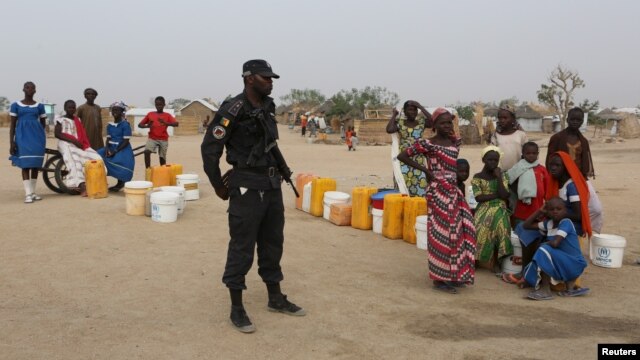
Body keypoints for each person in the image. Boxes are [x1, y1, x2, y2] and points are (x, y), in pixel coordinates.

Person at [201, 59, 305, 333]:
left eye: (271, 78)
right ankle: (237, 307)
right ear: (249, 79)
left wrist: (281, 170)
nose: (271, 82)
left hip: (271, 185)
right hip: (246, 186)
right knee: (242, 246)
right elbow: (210, 149)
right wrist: (217, 185)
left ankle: (275, 298)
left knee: (273, 243)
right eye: (266, 78)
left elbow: (269, 145)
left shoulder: (268, 108)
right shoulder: (232, 110)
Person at [397, 108, 476, 294]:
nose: (447, 126)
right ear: (434, 126)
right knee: (440, 234)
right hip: (437, 192)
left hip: (453, 191)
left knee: (459, 230)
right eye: (443, 123)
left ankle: (454, 274)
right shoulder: (428, 144)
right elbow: (403, 156)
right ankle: (440, 278)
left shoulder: (455, 142)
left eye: (449, 122)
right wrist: (426, 171)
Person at [520, 197, 589, 300]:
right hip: (564, 262)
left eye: (559, 209)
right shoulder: (549, 224)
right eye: (552, 209)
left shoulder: (566, 223)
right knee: (543, 253)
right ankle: (569, 289)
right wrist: (540, 211)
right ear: (547, 211)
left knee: (544, 250)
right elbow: (526, 225)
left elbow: (556, 243)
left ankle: (545, 290)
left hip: (575, 264)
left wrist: (541, 246)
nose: (555, 212)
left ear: (565, 210)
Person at [472, 146, 513, 273]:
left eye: (496, 160)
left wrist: (499, 177)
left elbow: (505, 195)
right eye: (490, 160)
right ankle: (475, 259)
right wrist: (496, 195)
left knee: (501, 225)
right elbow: (479, 197)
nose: (493, 163)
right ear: (483, 160)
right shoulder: (477, 177)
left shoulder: (503, 176)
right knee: (479, 227)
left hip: (500, 207)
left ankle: (497, 261)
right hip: (484, 207)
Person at [54, 100, 103, 196]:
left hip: (77, 143)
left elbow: (81, 134)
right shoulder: (60, 119)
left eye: (73, 107)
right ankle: (81, 185)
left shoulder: (77, 120)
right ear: (65, 108)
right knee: (74, 159)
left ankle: (94, 181)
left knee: (95, 157)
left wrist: (78, 142)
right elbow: (57, 134)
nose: (72, 109)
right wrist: (73, 141)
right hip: (65, 143)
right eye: (69, 107)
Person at [8, 81, 47, 203]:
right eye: (27, 87)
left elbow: (43, 123)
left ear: (35, 91)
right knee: (25, 165)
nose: (30, 90)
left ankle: (33, 192)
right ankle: (27, 194)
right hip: (22, 137)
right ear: (23, 89)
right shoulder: (16, 105)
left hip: (37, 138)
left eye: (32, 88)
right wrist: (12, 142)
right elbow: (12, 125)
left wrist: (39, 133)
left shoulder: (40, 106)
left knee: (35, 165)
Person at [387, 100, 433, 197]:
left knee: (421, 183)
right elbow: (389, 129)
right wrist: (394, 115)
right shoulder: (400, 123)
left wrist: (420, 106)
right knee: (403, 185)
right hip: (403, 159)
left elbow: (433, 121)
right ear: (405, 111)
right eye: (410, 110)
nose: (412, 112)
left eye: (414, 110)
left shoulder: (421, 122)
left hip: (418, 159)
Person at [546, 107, 594, 179]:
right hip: (560, 179)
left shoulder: (584, 141)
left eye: (578, 120)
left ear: (582, 121)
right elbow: (549, 160)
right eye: (572, 119)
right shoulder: (557, 138)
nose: (575, 122)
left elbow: (585, 162)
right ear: (567, 120)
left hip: (578, 178)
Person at [97, 101, 134, 192]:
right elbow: (108, 139)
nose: (115, 112)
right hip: (111, 147)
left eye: (117, 110)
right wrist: (107, 148)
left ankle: (120, 182)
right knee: (97, 156)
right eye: (113, 110)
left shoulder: (125, 125)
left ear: (122, 112)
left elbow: (125, 141)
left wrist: (115, 151)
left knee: (119, 160)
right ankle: (101, 181)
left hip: (122, 148)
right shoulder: (110, 126)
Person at [138, 96, 179, 168]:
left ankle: (163, 171)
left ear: (164, 105)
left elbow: (176, 124)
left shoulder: (167, 115)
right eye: (157, 105)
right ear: (155, 105)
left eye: (160, 105)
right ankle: (148, 170)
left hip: (163, 139)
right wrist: (147, 126)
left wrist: (166, 123)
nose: (158, 106)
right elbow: (140, 125)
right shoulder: (150, 114)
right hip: (152, 138)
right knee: (146, 152)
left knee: (162, 157)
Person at [488, 105, 528, 172]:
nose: (502, 120)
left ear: (513, 118)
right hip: (500, 173)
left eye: (505, 118)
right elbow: (491, 154)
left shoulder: (521, 135)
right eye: (500, 118)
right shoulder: (495, 136)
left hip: (519, 172)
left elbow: (528, 152)